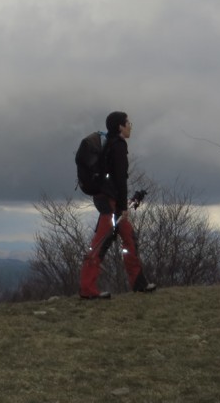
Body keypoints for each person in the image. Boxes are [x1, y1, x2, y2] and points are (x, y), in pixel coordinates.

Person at [78, 111, 156, 299]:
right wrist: (123, 207)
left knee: (128, 239)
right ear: (120, 126)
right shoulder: (118, 146)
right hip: (109, 200)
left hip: (106, 198)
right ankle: (87, 290)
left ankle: (139, 284)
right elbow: (120, 179)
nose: (130, 126)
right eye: (128, 122)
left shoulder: (111, 144)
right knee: (101, 243)